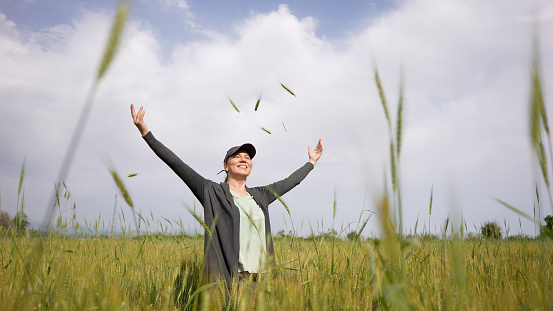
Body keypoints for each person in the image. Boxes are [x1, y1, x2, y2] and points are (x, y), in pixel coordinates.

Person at [130, 104, 323, 292]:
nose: (244, 159)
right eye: (237, 156)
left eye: (247, 157)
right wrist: (146, 134)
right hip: (232, 280)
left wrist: (311, 162)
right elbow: (177, 164)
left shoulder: (261, 195)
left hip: (263, 280)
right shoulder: (211, 191)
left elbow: (290, 181)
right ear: (226, 166)